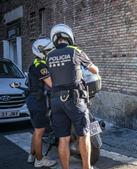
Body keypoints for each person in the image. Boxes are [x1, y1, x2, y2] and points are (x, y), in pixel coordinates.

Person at [46, 24, 99, 169]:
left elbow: (50, 79)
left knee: (63, 139)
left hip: (55, 100)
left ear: (55, 39)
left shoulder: (48, 55)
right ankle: (86, 167)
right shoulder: (76, 50)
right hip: (74, 99)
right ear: (69, 37)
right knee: (84, 135)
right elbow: (94, 70)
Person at [26, 37, 57, 167]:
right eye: (48, 50)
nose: (50, 52)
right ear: (40, 51)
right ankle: (39, 160)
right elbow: (51, 84)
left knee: (36, 130)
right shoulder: (41, 65)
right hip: (39, 101)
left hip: (33, 100)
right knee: (40, 131)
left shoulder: (36, 63)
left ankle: (32, 155)